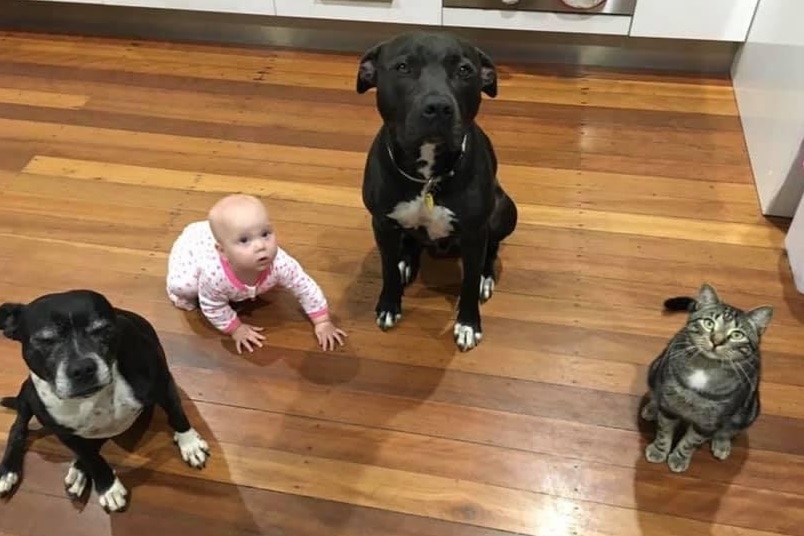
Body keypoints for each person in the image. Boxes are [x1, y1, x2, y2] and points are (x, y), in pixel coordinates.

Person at [166, 194, 347, 353]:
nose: (260, 246)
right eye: (244, 240)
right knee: (184, 287)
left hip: (219, 238)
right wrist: (235, 329)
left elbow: (304, 286)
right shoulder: (214, 275)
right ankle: (177, 295)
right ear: (222, 251)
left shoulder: (279, 263)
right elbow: (213, 307)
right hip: (194, 245)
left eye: (265, 233)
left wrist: (322, 321)